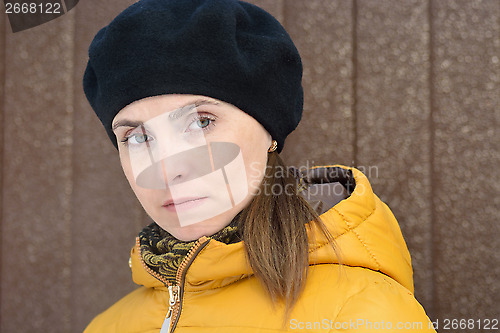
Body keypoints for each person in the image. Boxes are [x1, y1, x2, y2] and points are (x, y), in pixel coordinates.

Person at [82, 0, 436, 332]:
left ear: (269, 131)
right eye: (138, 137)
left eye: (201, 122)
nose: (166, 170)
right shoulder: (109, 326)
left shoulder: (361, 315)